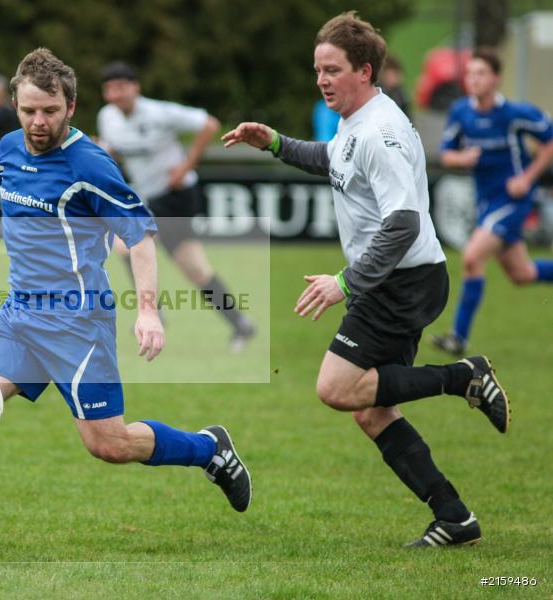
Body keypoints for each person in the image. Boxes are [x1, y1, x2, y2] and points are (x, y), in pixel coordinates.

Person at [0, 48, 251, 553]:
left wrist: (148, 310)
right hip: (18, 315)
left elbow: (141, 235)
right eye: (28, 111)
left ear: (71, 107)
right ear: (15, 104)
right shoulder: (11, 146)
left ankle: (209, 449)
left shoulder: (89, 164)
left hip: (77, 324)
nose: (38, 123)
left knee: (108, 444)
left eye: (50, 111)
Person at [223, 12, 510, 548]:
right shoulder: (355, 121)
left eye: (332, 70)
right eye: (317, 70)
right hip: (393, 279)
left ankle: (462, 377)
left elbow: (403, 223)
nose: (322, 80)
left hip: (402, 281)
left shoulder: (382, 130)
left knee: (336, 389)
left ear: (365, 70)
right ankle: (454, 516)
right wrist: (277, 144)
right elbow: (334, 160)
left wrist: (347, 283)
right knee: (373, 413)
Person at [96, 62, 256, 352]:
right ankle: (240, 323)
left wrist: (185, 166)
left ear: (135, 87)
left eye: (121, 87)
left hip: (176, 195)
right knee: (195, 269)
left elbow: (210, 124)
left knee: (126, 243)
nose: (115, 94)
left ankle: (151, 311)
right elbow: (114, 151)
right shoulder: (107, 117)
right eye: (109, 89)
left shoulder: (159, 112)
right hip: (149, 198)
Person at [431, 47, 553, 356]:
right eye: (470, 73)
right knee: (521, 274)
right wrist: (463, 157)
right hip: (486, 203)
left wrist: (527, 178)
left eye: (481, 73)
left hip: (513, 201)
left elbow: (549, 141)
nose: (473, 79)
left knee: (472, 256)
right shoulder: (461, 112)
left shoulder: (514, 114)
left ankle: (458, 338)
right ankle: (458, 337)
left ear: (496, 78)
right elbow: (446, 153)